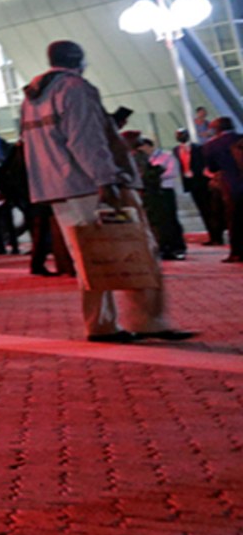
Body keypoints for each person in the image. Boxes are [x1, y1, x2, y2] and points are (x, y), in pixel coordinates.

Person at [18, 40, 196, 343]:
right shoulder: (75, 87)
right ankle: (148, 319)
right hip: (90, 183)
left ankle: (100, 324)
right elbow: (84, 138)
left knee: (89, 257)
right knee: (139, 248)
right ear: (78, 60)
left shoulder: (33, 97)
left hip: (58, 188)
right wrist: (107, 180)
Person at [204, 118, 243, 263]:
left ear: (216, 129)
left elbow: (212, 167)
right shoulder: (240, 138)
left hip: (231, 185)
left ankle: (237, 252)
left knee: (234, 219)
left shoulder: (212, 145)